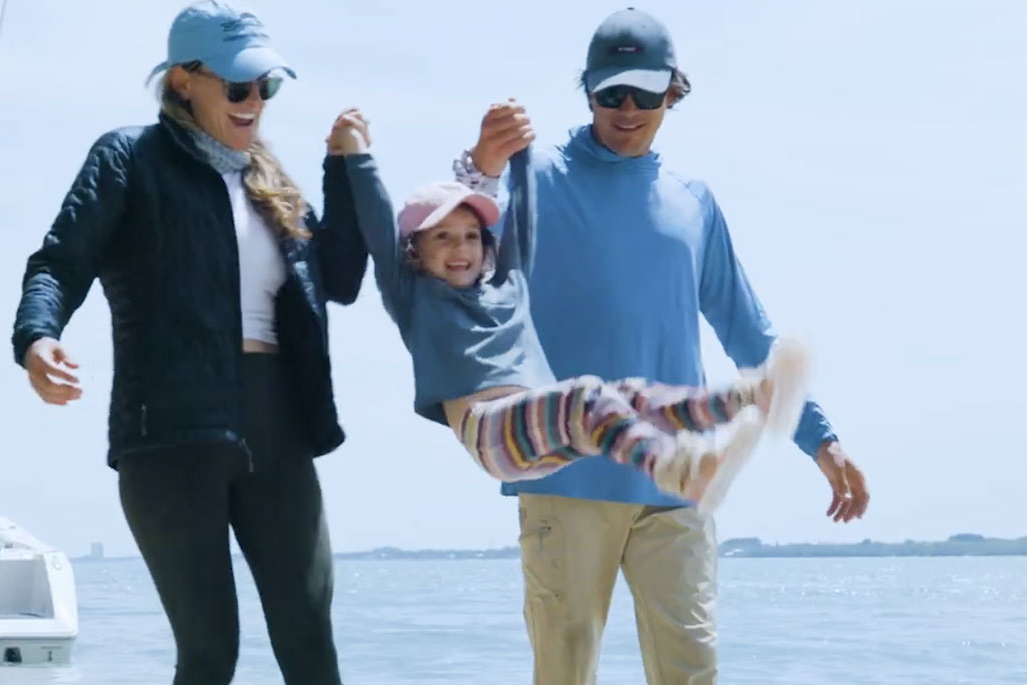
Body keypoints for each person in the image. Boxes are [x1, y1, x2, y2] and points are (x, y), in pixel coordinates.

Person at [451, 9, 873, 685]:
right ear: (587, 92)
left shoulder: (695, 201)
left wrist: (821, 437)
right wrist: (479, 162)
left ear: (675, 93)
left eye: (644, 94)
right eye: (609, 93)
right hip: (564, 481)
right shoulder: (534, 177)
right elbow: (452, 247)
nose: (626, 110)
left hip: (679, 487)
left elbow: (750, 331)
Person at [10, 0, 382, 685]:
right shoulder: (130, 160)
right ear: (185, 81)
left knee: (311, 641)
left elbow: (340, 280)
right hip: (169, 436)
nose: (256, 99)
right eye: (239, 83)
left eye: (268, 85)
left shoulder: (270, 178)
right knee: (211, 651)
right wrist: (38, 339)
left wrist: (346, 169)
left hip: (278, 428)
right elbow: (59, 260)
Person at [323, 109, 809, 512]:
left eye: (471, 236)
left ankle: (752, 397)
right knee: (587, 395)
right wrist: (355, 151)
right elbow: (377, 223)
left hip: (544, 433)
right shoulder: (414, 294)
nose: (460, 248)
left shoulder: (509, 285)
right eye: (443, 237)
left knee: (631, 395)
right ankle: (680, 469)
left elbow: (524, 218)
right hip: (489, 431)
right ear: (415, 252)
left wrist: (521, 154)